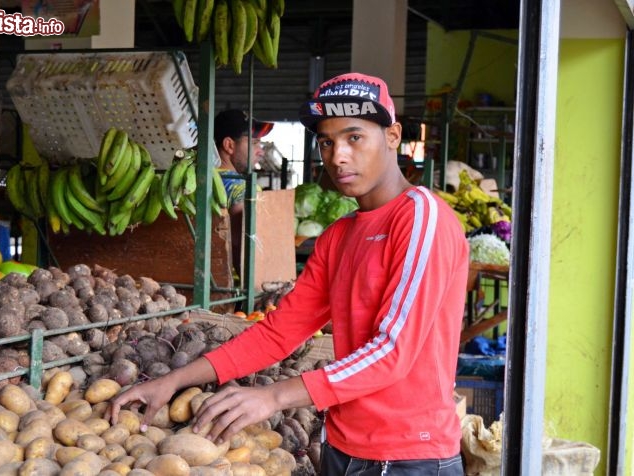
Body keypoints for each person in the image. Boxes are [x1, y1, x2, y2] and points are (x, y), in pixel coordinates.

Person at [107, 73, 469, 475]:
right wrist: (174, 380)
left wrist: (274, 396)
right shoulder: (339, 236)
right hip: (343, 450)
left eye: (354, 138)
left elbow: (393, 351)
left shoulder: (420, 217)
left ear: (393, 136)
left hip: (410, 458)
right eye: (327, 142)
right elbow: (278, 333)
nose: (337, 157)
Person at [212, 109, 274, 281]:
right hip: (232, 286)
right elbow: (244, 246)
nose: (260, 151)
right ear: (229, 145)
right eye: (254, 143)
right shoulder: (241, 188)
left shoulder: (200, 178)